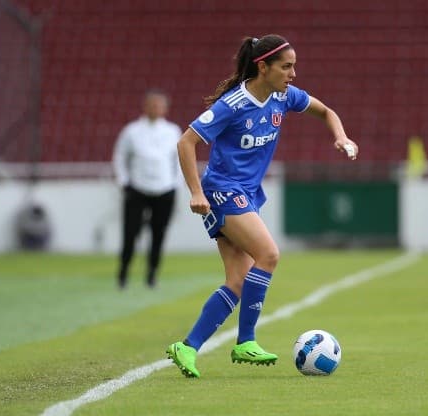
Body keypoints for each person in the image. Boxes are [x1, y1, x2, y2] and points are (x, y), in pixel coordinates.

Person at [165, 34, 358, 378]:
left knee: (238, 281)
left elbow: (326, 111)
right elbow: (186, 142)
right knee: (268, 255)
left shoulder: (283, 97)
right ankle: (246, 340)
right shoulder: (233, 104)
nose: (293, 73)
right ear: (263, 66)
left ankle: (188, 347)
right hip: (222, 191)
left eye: (294, 66)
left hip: (246, 194)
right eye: (286, 66)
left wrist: (340, 136)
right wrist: (196, 192)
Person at [112, 89, 182, 289]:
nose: (156, 109)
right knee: (130, 233)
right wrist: (124, 181)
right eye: (152, 105)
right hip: (137, 188)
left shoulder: (172, 131)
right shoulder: (132, 130)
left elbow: (178, 160)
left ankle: (152, 274)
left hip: (165, 189)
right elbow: (120, 157)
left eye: (159, 105)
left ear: (165, 109)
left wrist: (176, 184)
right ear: (145, 107)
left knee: (158, 234)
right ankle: (124, 271)